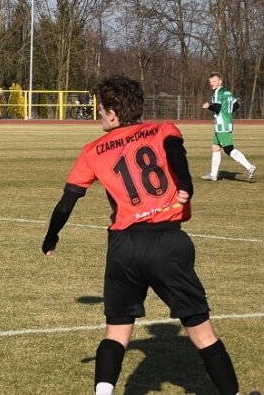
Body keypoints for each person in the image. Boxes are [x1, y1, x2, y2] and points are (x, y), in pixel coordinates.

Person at [42, 75, 242, 395]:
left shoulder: (93, 150)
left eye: (100, 109)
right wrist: (186, 186)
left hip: (122, 246)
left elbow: (66, 202)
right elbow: (177, 155)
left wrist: (51, 237)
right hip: (166, 243)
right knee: (203, 334)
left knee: (117, 333)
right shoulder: (164, 129)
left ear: (112, 112)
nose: (99, 116)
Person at [200, 72, 256, 182]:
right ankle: (213, 174)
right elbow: (236, 104)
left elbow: (216, 107)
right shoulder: (227, 92)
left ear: (220, 81)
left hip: (222, 125)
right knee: (215, 147)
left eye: (214, 81)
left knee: (228, 149)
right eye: (210, 82)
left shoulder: (218, 92)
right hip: (226, 123)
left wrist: (208, 106)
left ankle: (250, 167)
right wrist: (228, 114)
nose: (211, 83)